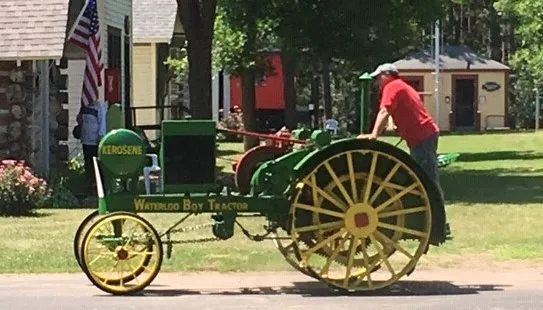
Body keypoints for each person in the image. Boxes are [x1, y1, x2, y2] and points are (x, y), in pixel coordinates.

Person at [357, 63, 442, 195]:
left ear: (386, 75)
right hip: (424, 134)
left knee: (427, 178)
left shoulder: (391, 86)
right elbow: (398, 110)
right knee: (421, 175)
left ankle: (437, 213)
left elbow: (384, 111)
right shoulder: (402, 86)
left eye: (378, 78)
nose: (377, 82)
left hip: (422, 136)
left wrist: (373, 135)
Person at [77, 100, 107, 190]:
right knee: (88, 164)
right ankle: (89, 185)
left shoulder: (99, 107)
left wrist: (101, 136)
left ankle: (100, 186)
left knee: (97, 165)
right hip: (86, 140)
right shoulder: (84, 105)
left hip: (95, 141)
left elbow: (102, 123)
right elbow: (80, 120)